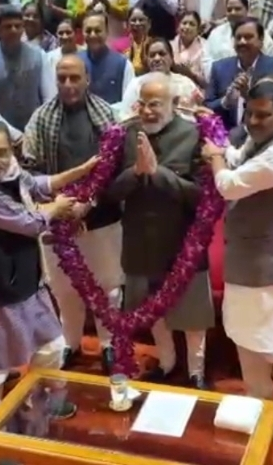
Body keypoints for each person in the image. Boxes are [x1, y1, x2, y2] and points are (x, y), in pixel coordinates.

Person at [0, 119, 94, 421]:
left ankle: (41, 408)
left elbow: (39, 185)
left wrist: (82, 170)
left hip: (27, 283)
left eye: (1, 152)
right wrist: (58, 207)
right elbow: (31, 222)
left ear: (11, 150)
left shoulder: (11, 171)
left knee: (52, 349)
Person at [200, 79, 273, 439]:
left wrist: (215, 157)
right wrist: (221, 147)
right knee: (246, 339)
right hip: (246, 259)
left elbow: (230, 183)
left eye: (264, 115)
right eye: (249, 113)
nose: (254, 121)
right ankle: (259, 402)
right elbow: (239, 160)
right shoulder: (259, 139)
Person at [23, 54, 123, 373]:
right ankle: (72, 342)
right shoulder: (41, 118)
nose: (68, 84)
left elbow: (118, 169)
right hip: (57, 216)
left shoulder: (108, 116)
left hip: (102, 217)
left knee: (108, 288)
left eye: (75, 78)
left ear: (87, 79)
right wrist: (61, 205)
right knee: (64, 289)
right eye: (62, 78)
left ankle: (109, 344)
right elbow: (29, 170)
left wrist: (87, 204)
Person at [111, 74, 213, 389]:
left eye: (154, 104)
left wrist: (159, 174)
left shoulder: (193, 136)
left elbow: (202, 196)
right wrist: (135, 172)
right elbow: (111, 191)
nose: (147, 111)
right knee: (151, 312)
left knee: (193, 316)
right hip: (140, 241)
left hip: (183, 243)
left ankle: (196, 372)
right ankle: (167, 363)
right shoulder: (127, 135)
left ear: (175, 104)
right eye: (142, 104)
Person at [0, 5, 57, 132]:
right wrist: (12, 133)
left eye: (18, 26)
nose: (13, 30)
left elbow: (49, 98)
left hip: (36, 129)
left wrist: (37, 129)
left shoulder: (39, 55)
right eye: (8, 27)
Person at [204, 18, 273, 135]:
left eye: (248, 37)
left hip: (263, 134)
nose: (242, 42)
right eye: (238, 38)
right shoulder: (219, 68)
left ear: (261, 40)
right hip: (224, 135)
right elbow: (207, 107)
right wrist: (225, 102)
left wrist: (249, 97)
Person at [78, 12, 135, 105]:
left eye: (97, 31)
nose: (93, 35)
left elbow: (129, 103)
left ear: (107, 32)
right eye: (88, 31)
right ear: (82, 33)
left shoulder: (123, 65)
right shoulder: (75, 62)